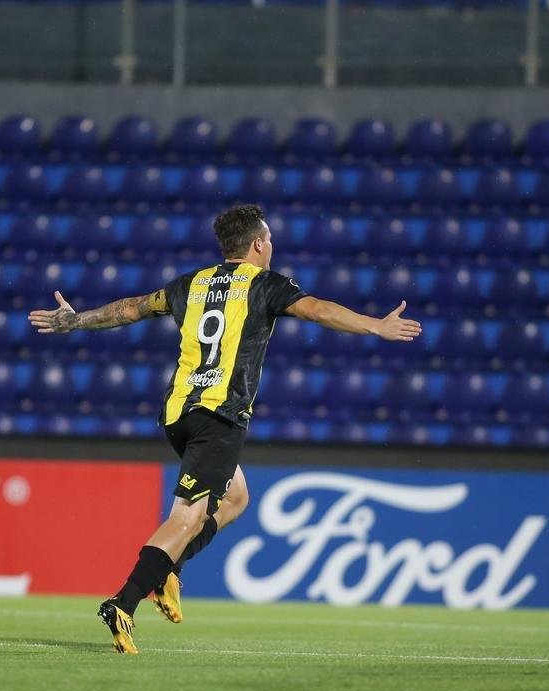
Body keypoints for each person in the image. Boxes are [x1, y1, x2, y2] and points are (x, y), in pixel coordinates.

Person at [30, 204, 422, 654]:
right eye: (269, 239)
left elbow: (131, 308)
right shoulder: (266, 285)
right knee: (187, 517)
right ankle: (124, 602)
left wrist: (76, 320)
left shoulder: (190, 284)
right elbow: (318, 310)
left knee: (235, 497)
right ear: (258, 244)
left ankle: (169, 569)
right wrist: (374, 325)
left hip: (178, 414)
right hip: (219, 417)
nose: (271, 246)